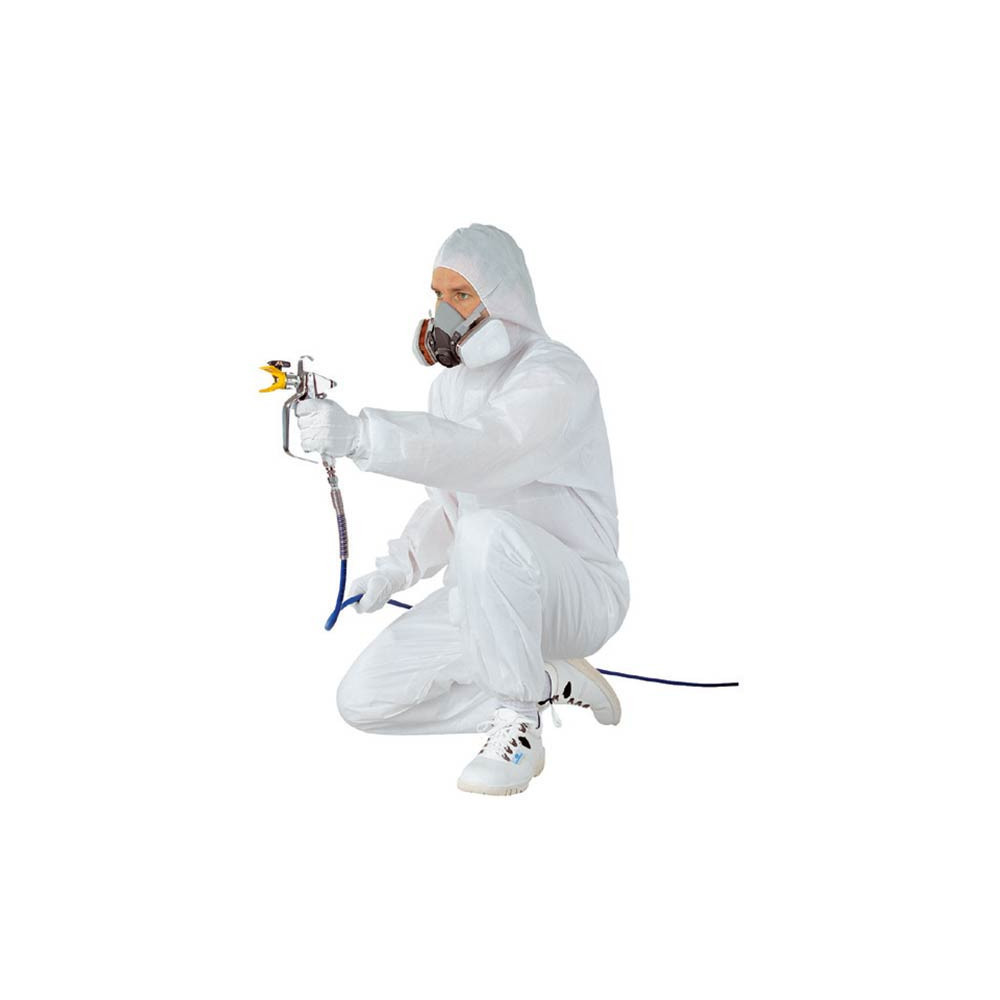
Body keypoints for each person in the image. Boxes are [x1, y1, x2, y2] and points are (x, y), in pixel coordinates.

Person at [295, 223, 629, 795]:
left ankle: (519, 724)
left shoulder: (555, 375)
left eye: (462, 295)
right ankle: (546, 681)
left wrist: (363, 437)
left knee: (486, 532)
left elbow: (486, 450)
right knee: (364, 699)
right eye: (437, 294)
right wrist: (395, 570)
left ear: (505, 298)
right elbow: (449, 505)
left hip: (577, 594)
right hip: (487, 591)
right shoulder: (449, 391)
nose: (444, 312)